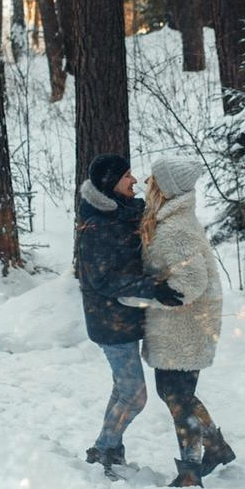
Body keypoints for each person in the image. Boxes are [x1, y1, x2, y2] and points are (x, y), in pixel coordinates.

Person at [74, 154, 181, 470]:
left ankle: (110, 449)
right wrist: (153, 287)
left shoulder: (124, 212)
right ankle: (104, 448)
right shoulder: (98, 226)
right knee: (134, 396)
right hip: (110, 322)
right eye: (126, 176)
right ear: (110, 183)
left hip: (126, 317)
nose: (134, 180)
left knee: (123, 389)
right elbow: (104, 279)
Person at [138, 157, 233, 487]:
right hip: (181, 327)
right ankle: (216, 447)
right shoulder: (171, 221)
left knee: (178, 398)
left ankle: (191, 471)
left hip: (185, 328)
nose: (147, 183)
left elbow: (191, 282)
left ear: (166, 188)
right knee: (175, 393)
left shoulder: (176, 229)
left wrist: (151, 294)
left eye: (153, 179)